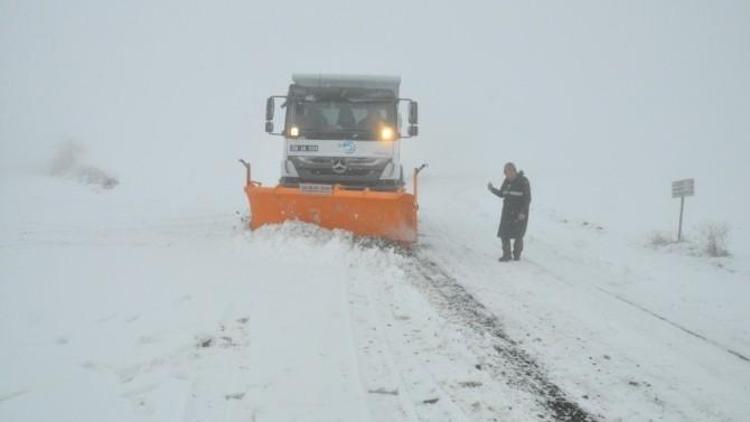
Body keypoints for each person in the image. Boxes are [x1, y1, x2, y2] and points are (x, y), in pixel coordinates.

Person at [487, 162, 531, 261]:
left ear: (515, 171)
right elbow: (502, 194)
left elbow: (527, 199)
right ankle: (506, 255)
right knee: (504, 234)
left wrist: (523, 212)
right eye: (506, 173)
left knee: (518, 235)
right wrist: (492, 189)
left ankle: (517, 255)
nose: (508, 175)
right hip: (507, 212)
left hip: (520, 213)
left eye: (510, 172)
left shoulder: (523, 181)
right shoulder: (506, 182)